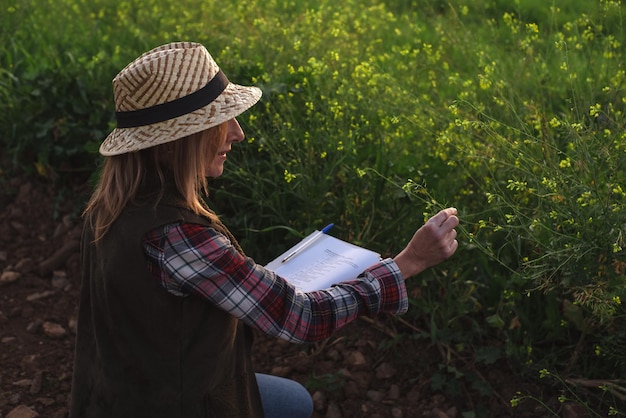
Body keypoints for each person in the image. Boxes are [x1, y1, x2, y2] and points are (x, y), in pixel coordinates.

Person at [69, 41, 459, 418]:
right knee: (294, 403)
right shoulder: (177, 237)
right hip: (173, 404)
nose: (237, 134)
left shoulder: (109, 206)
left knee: (290, 400)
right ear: (173, 145)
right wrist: (408, 263)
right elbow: (303, 318)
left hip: (115, 393)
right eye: (220, 123)